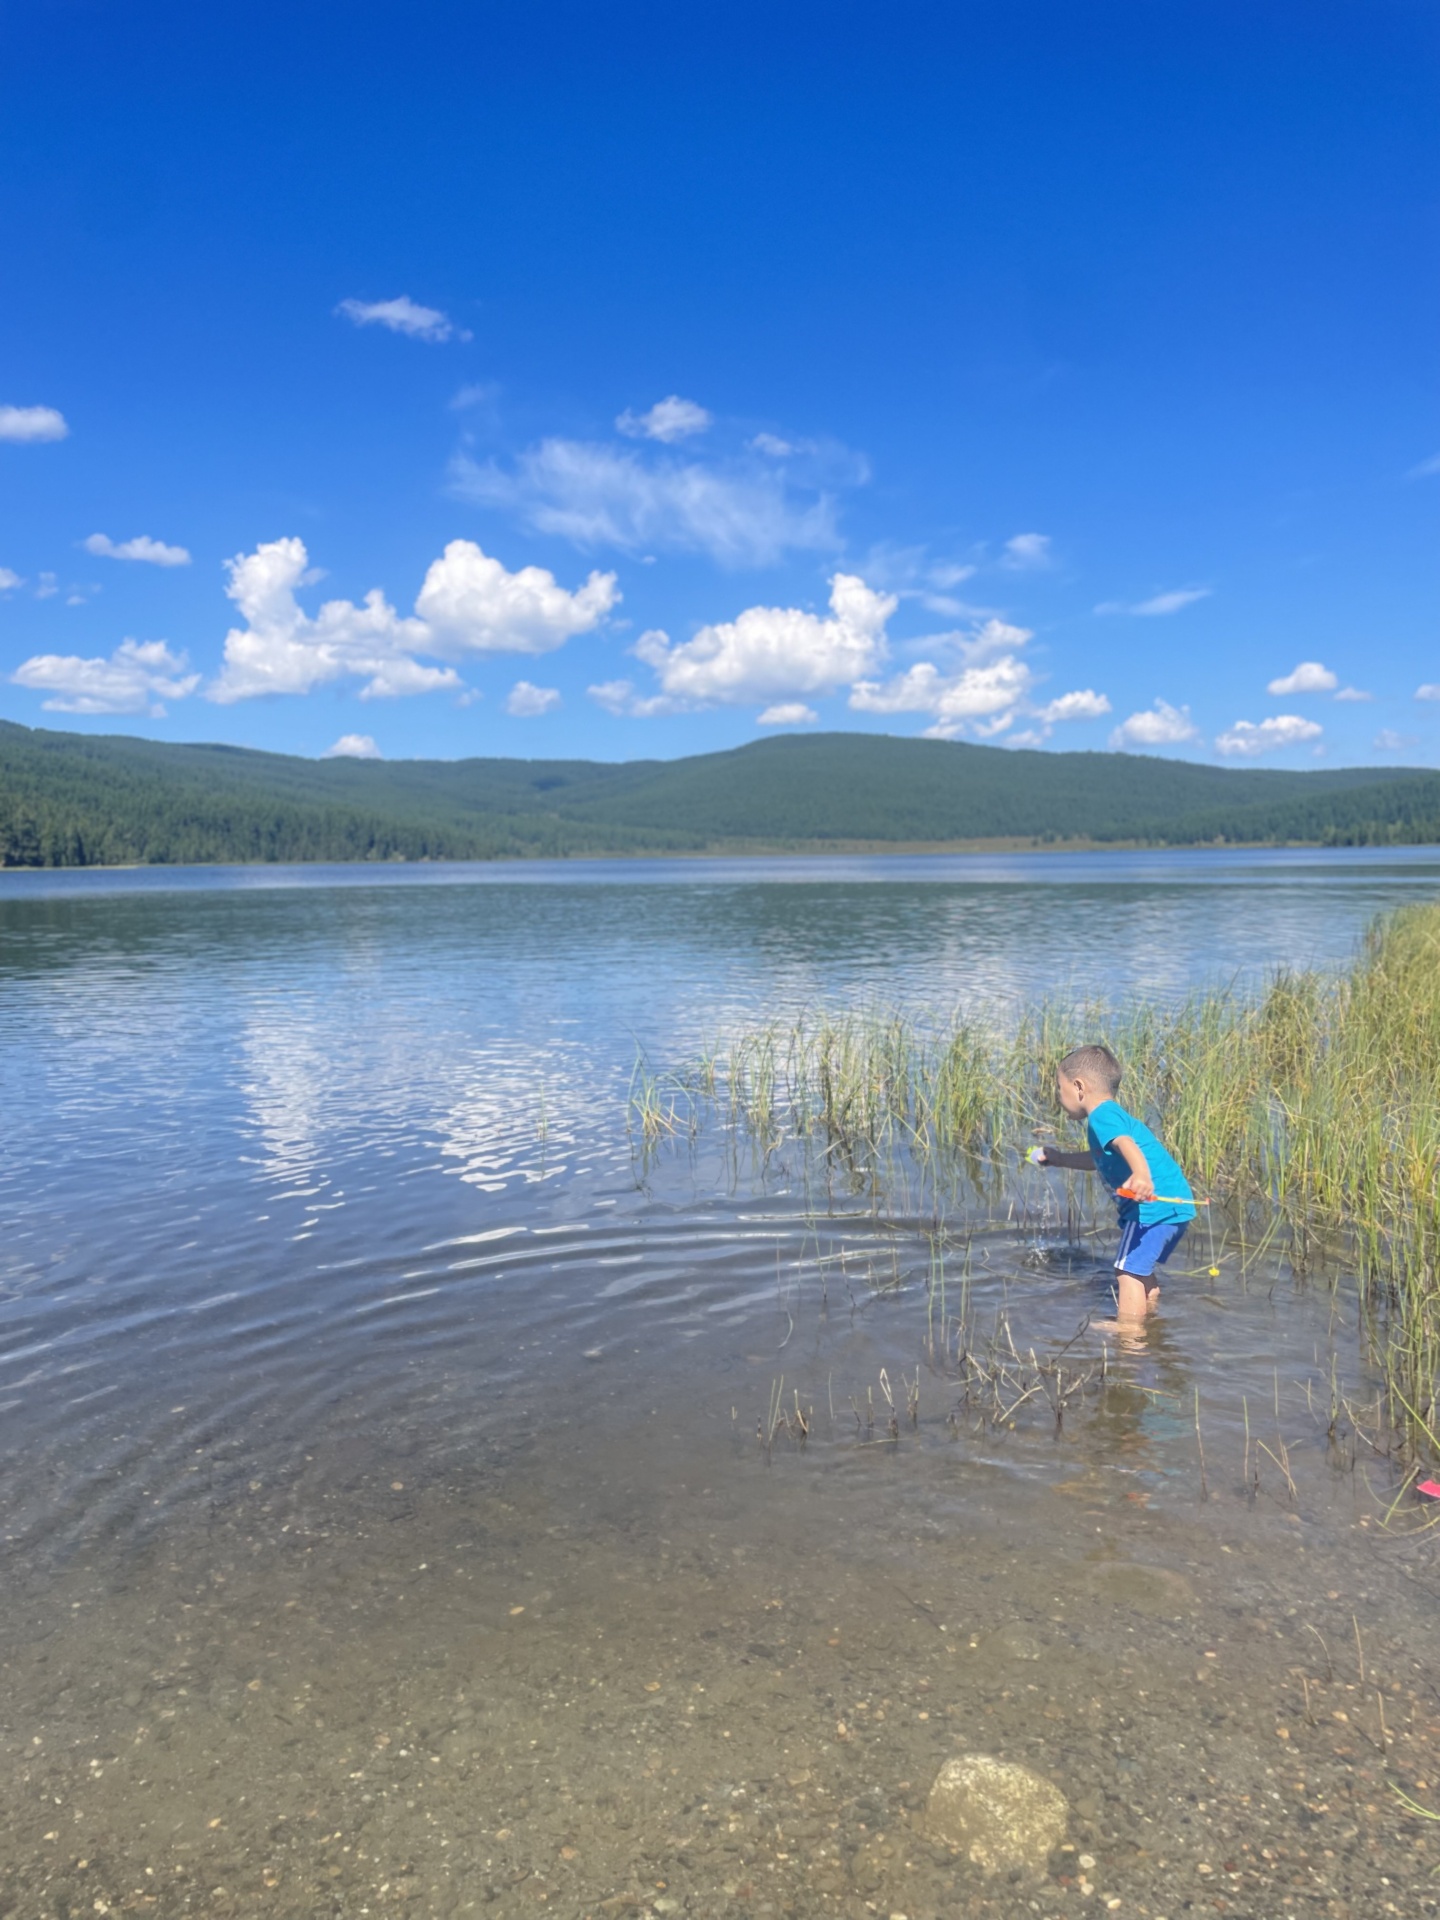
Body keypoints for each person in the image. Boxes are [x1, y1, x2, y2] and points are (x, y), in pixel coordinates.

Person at [1027, 1043, 1195, 1322]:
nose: (1059, 1095)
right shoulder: (1110, 1116)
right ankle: (1150, 1316)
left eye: (1060, 1087)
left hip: (1154, 1208)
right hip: (1175, 1207)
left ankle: (1129, 1334)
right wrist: (1060, 1159)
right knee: (1139, 1268)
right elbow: (1097, 1160)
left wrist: (1141, 1175)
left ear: (1079, 1087)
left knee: (1126, 1270)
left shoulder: (1102, 1116)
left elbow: (1126, 1143)